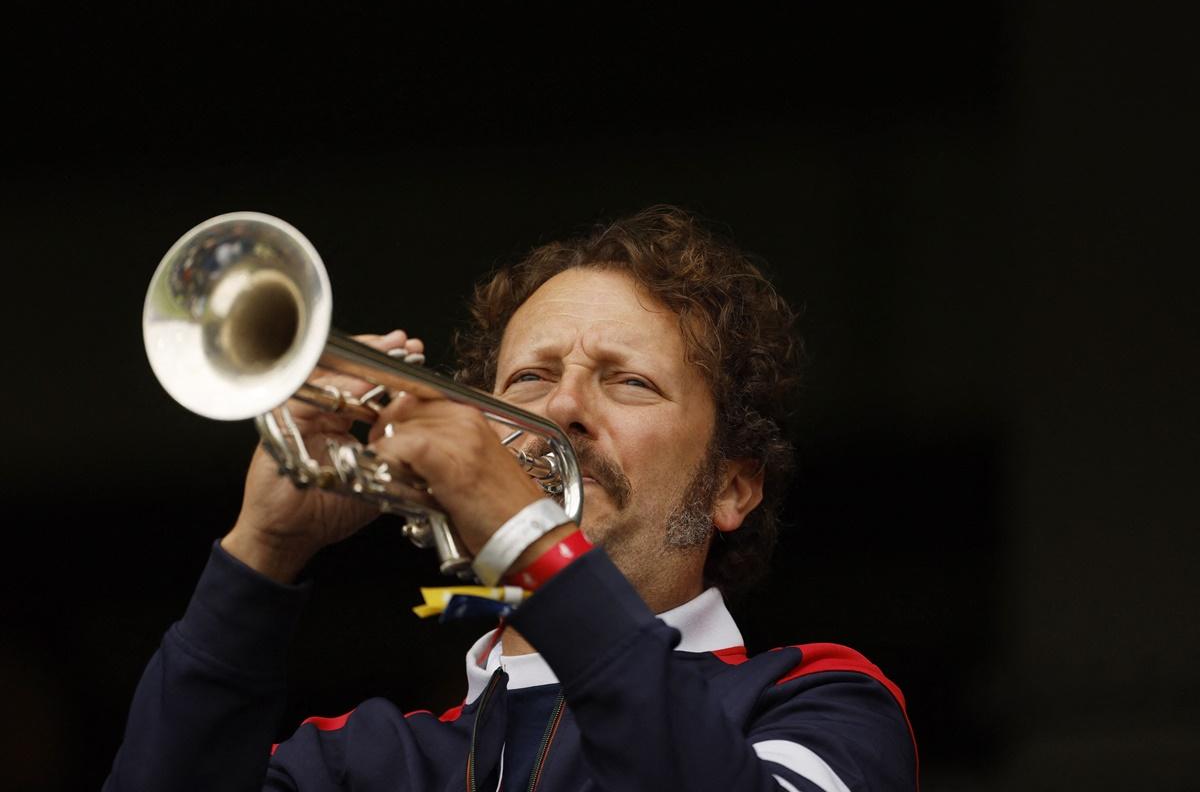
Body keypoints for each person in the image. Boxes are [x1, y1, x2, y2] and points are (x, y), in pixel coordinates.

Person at [105, 205, 917, 791]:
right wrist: (259, 555)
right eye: (528, 378)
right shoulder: (363, 760)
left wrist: (526, 536)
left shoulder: (817, 703)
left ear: (733, 486)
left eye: (627, 382)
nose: (560, 408)